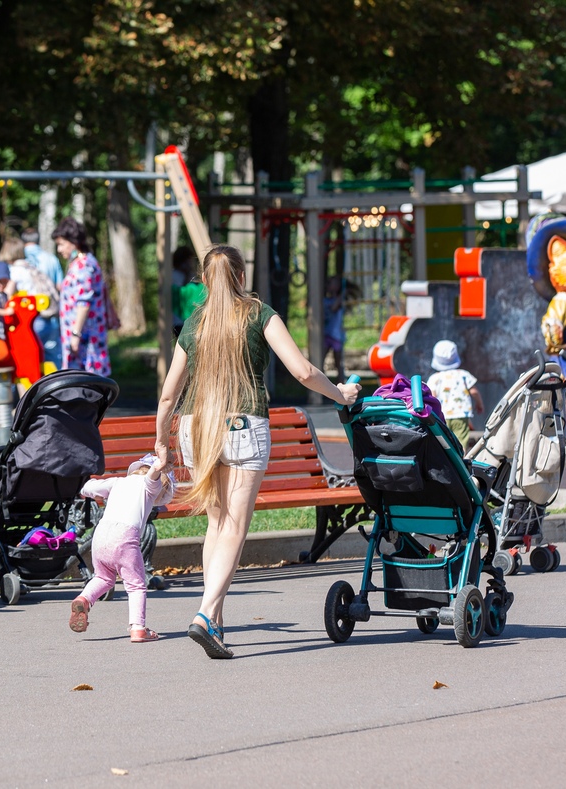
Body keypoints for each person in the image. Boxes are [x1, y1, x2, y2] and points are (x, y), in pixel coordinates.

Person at [154, 245, 360, 659]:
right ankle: (207, 614)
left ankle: (216, 620)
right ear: (242, 277)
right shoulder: (259, 314)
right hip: (243, 425)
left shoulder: (194, 322)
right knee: (233, 527)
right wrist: (341, 394)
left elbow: (167, 395)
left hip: (195, 427)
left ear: (205, 280)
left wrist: (161, 442)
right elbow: (302, 370)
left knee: (215, 525)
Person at [69, 453, 175, 643]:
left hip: (101, 535)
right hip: (124, 537)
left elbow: (87, 488)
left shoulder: (117, 482)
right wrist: (160, 465)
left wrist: (83, 488)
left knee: (103, 577)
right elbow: (152, 477)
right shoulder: (149, 486)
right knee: (136, 585)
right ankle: (138, 628)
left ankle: (84, 599)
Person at [53, 218, 110, 375]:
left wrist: (76, 334)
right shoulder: (82, 262)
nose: (59, 249)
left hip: (85, 337)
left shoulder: (83, 265)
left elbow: (83, 302)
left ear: (74, 242)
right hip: (83, 335)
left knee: (85, 383)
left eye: (61, 244)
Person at [426, 340, 482, 448]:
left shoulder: (435, 378)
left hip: (442, 415)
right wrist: (479, 404)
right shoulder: (464, 375)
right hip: (461, 414)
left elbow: (432, 396)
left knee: (443, 440)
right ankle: (460, 460)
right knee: (460, 441)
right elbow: (474, 391)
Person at [21, 227, 64, 364]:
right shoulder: (51, 259)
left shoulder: (20, 259)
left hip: (28, 318)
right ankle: (56, 385)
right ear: (38, 240)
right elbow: (60, 286)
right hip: (51, 316)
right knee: (52, 357)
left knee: (29, 359)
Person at [322, 276, 347, 379]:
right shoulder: (324, 300)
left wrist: (342, 294)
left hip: (336, 335)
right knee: (320, 360)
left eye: (332, 283)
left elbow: (334, 308)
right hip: (326, 334)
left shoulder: (340, 300)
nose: (329, 285)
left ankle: (341, 383)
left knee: (338, 362)